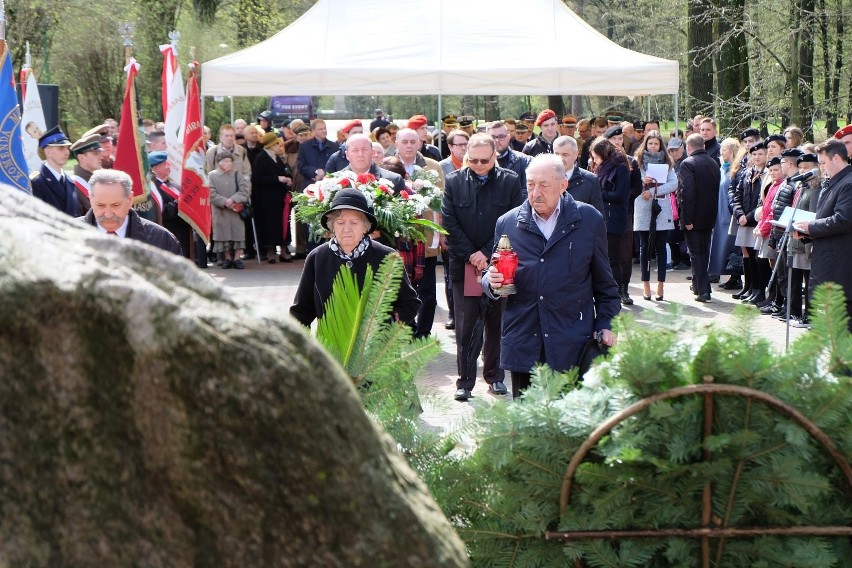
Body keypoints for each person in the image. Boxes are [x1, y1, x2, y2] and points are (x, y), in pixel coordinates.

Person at [485, 155, 620, 399]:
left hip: (571, 340)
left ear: (563, 185)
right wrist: (490, 281)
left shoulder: (588, 220)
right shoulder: (508, 223)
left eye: (544, 185)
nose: (535, 192)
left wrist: (606, 323)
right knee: (528, 424)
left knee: (570, 425)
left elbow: (606, 284)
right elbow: (493, 275)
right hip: (525, 340)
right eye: (530, 184)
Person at [442, 133, 523, 401]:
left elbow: (514, 220)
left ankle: (496, 377)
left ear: (494, 156)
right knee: (466, 325)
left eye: (484, 161)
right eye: (473, 160)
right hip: (464, 264)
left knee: (497, 322)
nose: (478, 165)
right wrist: (473, 256)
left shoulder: (510, 181)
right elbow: (449, 223)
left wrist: (487, 253)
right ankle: (464, 382)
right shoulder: (454, 181)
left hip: (499, 262)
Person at [290, 188, 420, 326]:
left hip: (375, 344)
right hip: (330, 343)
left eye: (354, 222)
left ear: (365, 227)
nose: (346, 229)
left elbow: (410, 303)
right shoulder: (317, 257)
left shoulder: (387, 257)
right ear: (332, 226)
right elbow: (301, 311)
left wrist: (385, 325)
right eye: (340, 222)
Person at [793, 139, 852, 331]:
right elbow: (825, 217)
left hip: (839, 264)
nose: (821, 167)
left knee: (841, 325)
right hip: (828, 258)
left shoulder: (848, 183)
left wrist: (811, 227)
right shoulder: (834, 182)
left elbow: (843, 220)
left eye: (823, 162)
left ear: (836, 158)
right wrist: (806, 234)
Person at [79, 169, 181, 255]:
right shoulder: (66, 236)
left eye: (116, 205)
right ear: (91, 200)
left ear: (130, 199)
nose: (108, 214)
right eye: (100, 205)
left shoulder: (162, 240)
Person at [633, 130, 677, 301]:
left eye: (656, 144)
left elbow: (674, 183)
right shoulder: (637, 162)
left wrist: (652, 191)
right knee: (644, 247)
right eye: (650, 143)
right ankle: (646, 284)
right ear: (646, 144)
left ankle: (660, 285)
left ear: (660, 145)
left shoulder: (667, 162)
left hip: (661, 205)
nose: (653, 146)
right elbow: (632, 183)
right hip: (643, 206)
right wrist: (641, 182)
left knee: (660, 247)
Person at [677, 133, 721, 302]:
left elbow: (686, 194)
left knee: (696, 254)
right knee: (703, 252)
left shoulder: (688, 164)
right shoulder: (713, 162)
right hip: (709, 216)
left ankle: (704, 290)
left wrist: (686, 219)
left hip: (693, 217)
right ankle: (698, 286)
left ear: (688, 148)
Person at [589, 136, 631, 304]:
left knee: (613, 258)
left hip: (614, 219)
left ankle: (618, 291)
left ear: (604, 154)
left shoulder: (620, 167)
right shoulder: (599, 168)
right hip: (602, 217)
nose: (594, 160)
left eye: (596, 156)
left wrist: (598, 193)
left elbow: (621, 194)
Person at [252, 132, 294, 263]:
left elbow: (283, 171)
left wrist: (287, 179)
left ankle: (283, 249)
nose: (279, 146)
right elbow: (258, 178)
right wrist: (277, 178)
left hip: (279, 197)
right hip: (267, 198)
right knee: (270, 225)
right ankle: (270, 251)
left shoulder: (277, 158)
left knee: (282, 223)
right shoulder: (261, 158)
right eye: (276, 143)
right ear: (271, 145)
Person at [208, 154, 251, 269]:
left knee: (238, 234)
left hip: (236, 211)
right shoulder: (212, 176)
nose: (228, 164)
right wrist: (224, 201)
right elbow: (211, 193)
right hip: (220, 211)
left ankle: (237, 258)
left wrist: (233, 200)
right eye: (225, 161)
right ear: (219, 162)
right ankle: (227, 258)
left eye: (230, 161)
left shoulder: (237, 175)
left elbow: (244, 191)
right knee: (223, 235)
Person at [147, 151, 192, 258]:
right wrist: (177, 203)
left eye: (167, 163)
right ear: (155, 169)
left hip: (182, 229)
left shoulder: (174, 185)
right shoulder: (153, 188)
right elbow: (162, 210)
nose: (168, 166)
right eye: (163, 164)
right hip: (169, 230)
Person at [31, 126, 78, 217]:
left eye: (67, 148)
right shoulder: (36, 182)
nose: (67, 152)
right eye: (61, 148)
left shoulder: (69, 181)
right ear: (48, 152)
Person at [335, 134, 405, 192]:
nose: (360, 154)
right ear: (347, 155)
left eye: (364, 149)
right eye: (355, 150)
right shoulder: (335, 181)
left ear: (372, 152)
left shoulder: (394, 180)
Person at [552, 135, 604, 214]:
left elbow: (598, 216)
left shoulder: (590, 181)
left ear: (576, 154)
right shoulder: (544, 178)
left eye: (565, 155)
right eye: (557, 154)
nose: (560, 158)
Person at [487, 120, 530, 193]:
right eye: (493, 137)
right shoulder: (478, 162)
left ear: (508, 137)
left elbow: (527, 191)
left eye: (501, 136)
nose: (497, 140)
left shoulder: (524, 161)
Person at [297, 119, 338, 189]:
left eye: (325, 128)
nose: (324, 131)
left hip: (330, 186)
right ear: (313, 131)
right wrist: (315, 172)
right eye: (320, 129)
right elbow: (301, 166)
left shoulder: (335, 146)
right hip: (310, 185)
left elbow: (337, 165)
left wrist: (325, 174)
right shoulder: (304, 146)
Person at [69, 133, 104, 214]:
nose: (100, 157)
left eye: (99, 153)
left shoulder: (98, 179)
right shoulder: (73, 185)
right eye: (95, 153)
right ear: (82, 157)